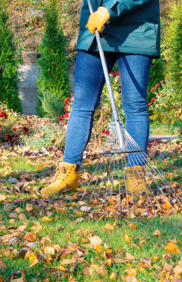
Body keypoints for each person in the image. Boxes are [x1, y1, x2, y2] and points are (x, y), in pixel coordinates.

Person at [40, 0, 160, 198]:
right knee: (82, 103)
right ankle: (68, 173)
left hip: (137, 29)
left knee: (135, 104)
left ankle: (136, 174)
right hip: (96, 27)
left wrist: (108, 9)